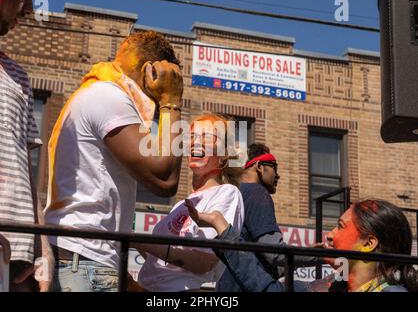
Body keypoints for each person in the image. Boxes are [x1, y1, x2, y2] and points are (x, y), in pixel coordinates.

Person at [44, 30, 184, 292]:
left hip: (82, 260)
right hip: (85, 261)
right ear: (150, 72)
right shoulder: (109, 96)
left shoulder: (97, 92)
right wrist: (171, 102)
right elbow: (164, 179)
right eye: (168, 77)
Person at [0, 0, 54, 291]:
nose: (30, 7)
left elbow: (26, 172)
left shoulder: (19, 75)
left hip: (12, 259)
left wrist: (42, 248)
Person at [187, 199, 418, 292]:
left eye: (340, 226)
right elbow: (267, 289)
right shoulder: (330, 287)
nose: (329, 235)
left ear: (368, 243)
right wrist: (222, 227)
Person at [136, 114, 245, 292]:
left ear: (225, 155)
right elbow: (159, 258)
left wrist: (138, 242)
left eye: (208, 137)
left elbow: (204, 262)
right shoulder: (180, 205)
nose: (195, 142)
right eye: (192, 137)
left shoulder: (227, 193)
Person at [217, 143, 320, 291]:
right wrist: (322, 256)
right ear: (259, 167)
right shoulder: (256, 192)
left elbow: (263, 261)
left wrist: (303, 254)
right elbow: (275, 254)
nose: (278, 175)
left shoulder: (233, 193)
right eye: (274, 167)